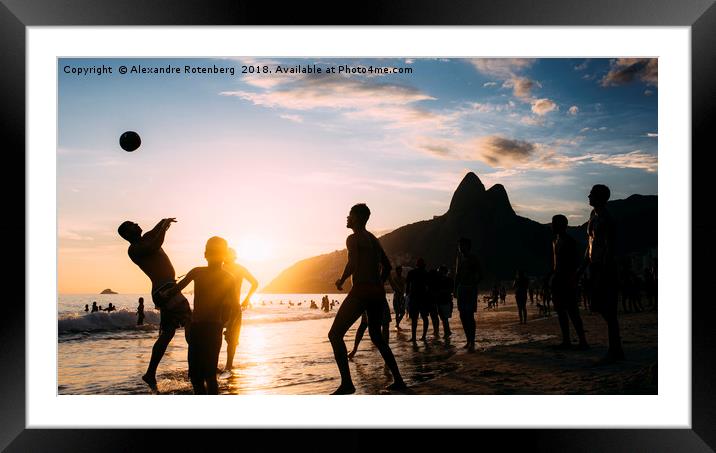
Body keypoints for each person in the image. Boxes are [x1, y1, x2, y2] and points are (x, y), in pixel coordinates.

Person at [328, 203, 407, 394]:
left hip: (362, 290)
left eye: (350, 215)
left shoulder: (353, 238)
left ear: (358, 218)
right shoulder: (373, 239)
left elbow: (353, 263)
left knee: (335, 334)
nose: (347, 218)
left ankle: (347, 384)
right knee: (377, 337)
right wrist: (377, 284)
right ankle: (399, 380)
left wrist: (341, 280)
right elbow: (387, 266)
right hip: (377, 292)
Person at [118, 218, 192, 392]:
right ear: (127, 234)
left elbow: (154, 232)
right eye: (132, 225)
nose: (137, 225)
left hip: (166, 290)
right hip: (165, 291)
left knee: (167, 334)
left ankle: (150, 373)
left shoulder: (147, 237)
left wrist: (163, 222)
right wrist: (164, 228)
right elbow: (154, 245)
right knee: (191, 323)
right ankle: (194, 370)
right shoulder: (135, 249)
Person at [163, 237, 236, 394]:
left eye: (216, 252)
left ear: (205, 254)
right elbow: (233, 307)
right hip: (209, 328)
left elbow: (173, 290)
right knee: (203, 375)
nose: (215, 256)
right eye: (213, 252)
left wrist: (164, 295)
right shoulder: (226, 277)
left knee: (203, 375)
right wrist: (228, 324)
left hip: (204, 328)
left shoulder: (200, 272)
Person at [582, 185, 624, 362]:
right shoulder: (593, 216)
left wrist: (603, 269)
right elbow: (590, 242)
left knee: (608, 309)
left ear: (599, 198)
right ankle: (615, 348)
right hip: (594, 266)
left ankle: (616, 349)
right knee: (598, 306)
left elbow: (609, 246)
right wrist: (584, 265)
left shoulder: (607, 219)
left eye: (592, 194)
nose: (588, 196)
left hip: (604, 267)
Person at [551, 215, 588, 349]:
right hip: (557, 279)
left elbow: (573, 262)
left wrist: (572, 278)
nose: (552, 226)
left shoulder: (569, 241)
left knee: (572, 311)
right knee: (560, 311)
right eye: (553, 223)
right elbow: (555, 262)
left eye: (555, 223)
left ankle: (583, 341)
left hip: (567, 279)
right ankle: (566, 340)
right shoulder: (555, 241)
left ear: (563, 225)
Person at [220, 247, 259, 378]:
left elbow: (255, 283)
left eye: (228, 255)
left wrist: (247, 299)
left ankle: (228, 366)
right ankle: (225, 366)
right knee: (223, 338)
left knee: (232, 339)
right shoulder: (221, 267)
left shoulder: (234, 268)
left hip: (231, 308)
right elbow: (255, 283)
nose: (226, 258)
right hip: (223, 308)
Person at [455, 237, 482, 352]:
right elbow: (457, 275)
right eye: (459, 245)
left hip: (470, 289)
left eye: (463, 245)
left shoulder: (473, 258)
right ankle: (468, 340)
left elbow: (480, 274)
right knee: (462, 315)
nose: (461, 247)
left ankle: (472, 340)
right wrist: (454, 289)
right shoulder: (459, 258)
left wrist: (474, 284)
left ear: (468, 246)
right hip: (461, 289)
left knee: (469, 315)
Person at [406, 258, 431, 342]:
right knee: (424, 317)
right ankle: (423, 336)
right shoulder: (425, 273)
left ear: (416, 264)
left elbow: (407, 285)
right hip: (423, 298)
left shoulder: (412, 273)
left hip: (414, 298)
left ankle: (414, 337)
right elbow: (429, 287)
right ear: (423, 265)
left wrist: (406, 296)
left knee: (414, 319)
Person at [435, 265, 454, 338]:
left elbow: (450, 290)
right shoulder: (441, 280)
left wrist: (441, 292)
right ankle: (447, 331)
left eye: (440, 271)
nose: (438, 272)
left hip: (445, 301)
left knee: (444, 318)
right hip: (442, 300)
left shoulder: (448, 280)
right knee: (443, 318)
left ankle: (447, 332)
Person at [388, 265, 406, 330]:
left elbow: (405, 286)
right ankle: (397, 325)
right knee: (397, 312)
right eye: (398, 270)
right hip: (396, 297)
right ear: (396, 271)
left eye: (400, 270)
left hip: (401, 297)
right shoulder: (395, 279)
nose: (400, 271)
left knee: (403, 312)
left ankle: (397, 324)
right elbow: (394, 288)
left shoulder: (403, 278)